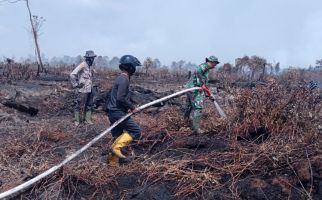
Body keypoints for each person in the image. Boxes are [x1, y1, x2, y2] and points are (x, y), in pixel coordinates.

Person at [106, 55, 141, 166]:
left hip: (112, 112)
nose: (135, 69)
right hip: (117, 112)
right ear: (130, 67)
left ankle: (112, 164)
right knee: (136, 131)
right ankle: (117, 147)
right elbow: (120, 97)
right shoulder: (124, 79)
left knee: (118, 136)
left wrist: (126, 108)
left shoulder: (120, 78)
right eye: (134, 66)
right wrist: (132, 107)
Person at [184, 56, 220, 134]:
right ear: (211, 62)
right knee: (198, 107)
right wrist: (207, 91)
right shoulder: (202, 68)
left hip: (191, 88)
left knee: (189, 107)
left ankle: (184, 124)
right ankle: (196, 129)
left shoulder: (206, 69)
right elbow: (202, 83)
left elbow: (204, 84)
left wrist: (209, 94)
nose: (215, 65)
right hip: (194, 90)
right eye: (215, 63)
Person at [70, 50, 96, 126]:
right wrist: (76, 85)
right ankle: (77, 120)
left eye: (93, 58)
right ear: (88, 58)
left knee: (89, 104)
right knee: (79, 105)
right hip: (83, 89)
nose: (93, 59)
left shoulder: (90, 66)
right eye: (91, 58)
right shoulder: (83, 65)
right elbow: (72, 74)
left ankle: (87, 120)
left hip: (89, 88)